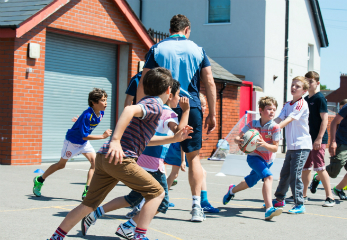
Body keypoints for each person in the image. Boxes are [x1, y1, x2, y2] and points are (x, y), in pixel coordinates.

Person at [47, 67, 193, 240]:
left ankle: (56, 237)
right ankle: (138, 235)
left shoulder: (149, 103)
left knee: (88, 204)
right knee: (158, 193)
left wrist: (172, 139)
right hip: (121, 159)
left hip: (105, 157)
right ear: (169, 90)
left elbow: (146, 139)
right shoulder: (155, 105)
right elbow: (129, 110)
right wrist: (115, 140)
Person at [80, 80, 190, 240]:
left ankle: (96, 213)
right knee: (162, 202)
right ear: (170, 94)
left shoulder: (152, 108)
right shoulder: (168, 113)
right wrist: (186, 111)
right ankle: (129, 227)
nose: (180, 99)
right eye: (179, 95)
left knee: (133, 198)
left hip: (140, 159)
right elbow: (179, 133)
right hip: (153, 164)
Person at [136, 14, 217, 222]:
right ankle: (196, 207)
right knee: (193, 158)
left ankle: (140, 204)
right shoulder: (198, 50)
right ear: (187, 29)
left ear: (171, 29)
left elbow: (143, 81)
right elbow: (209, 82)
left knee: (152, 156)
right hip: (190, 105)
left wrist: (140, 110)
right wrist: (213, 114)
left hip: (163, 105)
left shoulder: (157, 48)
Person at [33, 88, 112, 200]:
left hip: (84, 143)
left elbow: (85, 129)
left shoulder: (101, 113)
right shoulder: (87, 115)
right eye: (103, 100)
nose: (106, 103)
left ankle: (87, 190)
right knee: (61, 165)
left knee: (95, 163)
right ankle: (39, 180)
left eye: (106, 100)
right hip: (72, 142)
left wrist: (78, 121)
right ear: (94, 103)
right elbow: (84, 134)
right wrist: (102, 136)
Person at [222, 96, 282, 220]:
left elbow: (276, 148)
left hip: (268, 160)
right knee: (268, 177)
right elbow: (237, 138)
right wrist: (239, 141)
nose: (272, 112)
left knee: (250, 182)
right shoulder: (252, 124)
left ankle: (232, 191)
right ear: (260, 110)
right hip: (254, 157)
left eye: (274, 109)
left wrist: (264, 144)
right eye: (269, 109)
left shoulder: (275, 127)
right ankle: (269, 209)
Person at [165, 93, 219, 213]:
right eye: (202, 105)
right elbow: (184, 143)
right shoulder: (191, 117)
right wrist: (183, 160)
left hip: (179, 148)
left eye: (205, 106)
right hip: (180, 149)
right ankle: (203, 202)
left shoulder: (193, 116)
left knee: (174, 174)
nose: (204, 108)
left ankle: (164, 198)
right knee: (201, 172)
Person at [288, 71, 335, 207]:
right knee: (306, 168)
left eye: (311, 81)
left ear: (317, 83)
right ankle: (303, 195)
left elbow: (325, 119)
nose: (308, 83)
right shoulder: (306, 100)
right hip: (306, 139)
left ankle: (329, 197)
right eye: (306, 81)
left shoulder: (320, 98)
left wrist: (319, 138)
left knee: (320, 167)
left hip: (317, 139)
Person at [271, 76, 312, 214]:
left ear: (304, 91)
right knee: (285, 173)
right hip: (292, 146)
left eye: (297, 86)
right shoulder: (287, 104)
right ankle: (279, 199)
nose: (293, 87)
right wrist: (266, 127)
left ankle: (299, 204)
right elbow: (279, 118)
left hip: (302, 145)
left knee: (295, 174)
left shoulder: (301, 104)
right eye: (292, 85)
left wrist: (275, 129)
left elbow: (288, 120)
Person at [325, 84, 347, 201]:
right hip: (342, 142)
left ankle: (339, 189)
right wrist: (333, 142)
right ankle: (319, 176)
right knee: (334, 170)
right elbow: (334, 122)